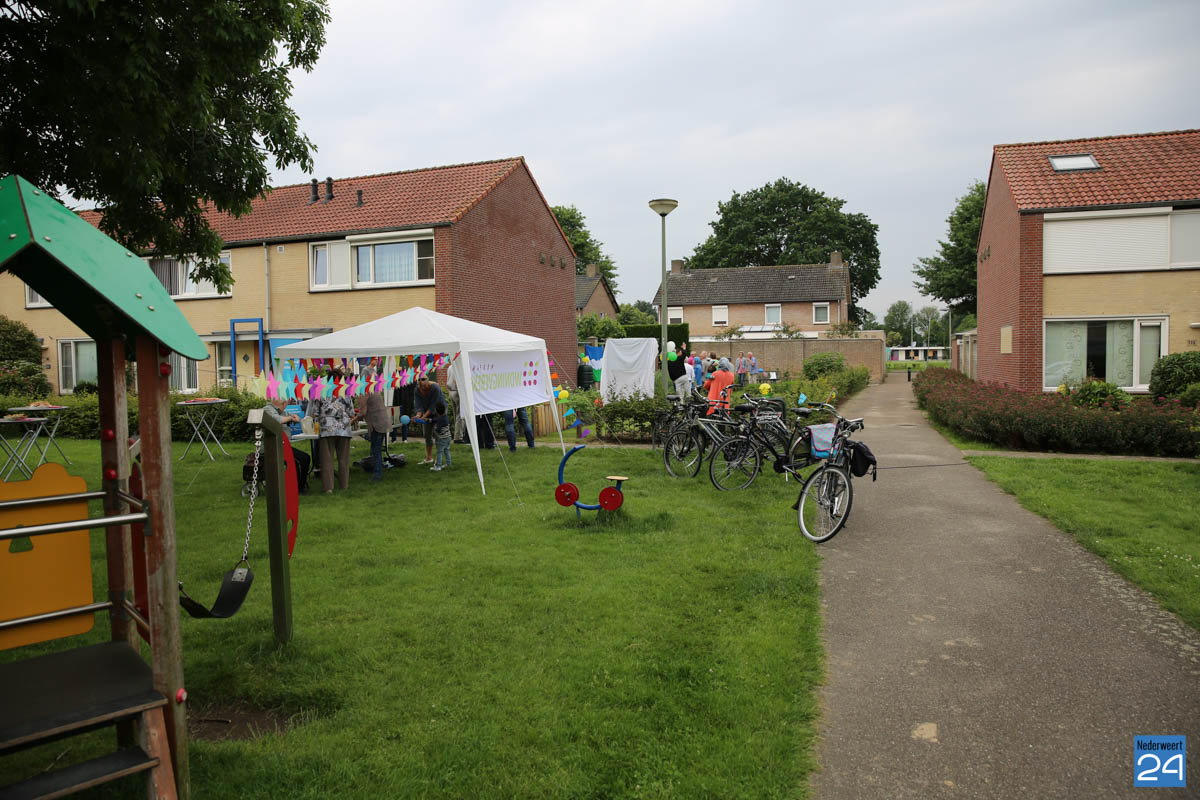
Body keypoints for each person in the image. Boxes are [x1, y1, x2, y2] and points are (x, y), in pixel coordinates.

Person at [309, 368, 355, 493]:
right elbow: (351, 412)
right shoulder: (345, 392)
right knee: (343, 459)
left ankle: (328, 487)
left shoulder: (320, 391)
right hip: (344, 429)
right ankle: (344, 485)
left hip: (326, 429)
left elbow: (314, 412)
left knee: (327, 460)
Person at [262, 397, 310, 493]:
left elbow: (292, 417)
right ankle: (298, 487)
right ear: (283, 404)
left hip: (282, 445)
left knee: (305, 458)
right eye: (286, 405)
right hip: (273, 447)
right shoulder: (267, 409)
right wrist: (291, 418)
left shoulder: (281, 411)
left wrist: (294, 417)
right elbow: (277, 420)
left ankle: (300, 485)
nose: (286, 407)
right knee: (300, 460)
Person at [356, 369, 391, 482]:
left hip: (376, 423)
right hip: (383, 422)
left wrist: (352, 421)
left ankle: (377, 474)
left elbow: (363, 412)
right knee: (376, 448)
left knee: (376, 450)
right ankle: (375, 469)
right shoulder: (374, 389)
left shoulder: (363, 392)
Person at [413, 375, 445, 464]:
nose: (422, 387)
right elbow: (418, 405)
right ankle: (429, 458)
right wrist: (418, 415)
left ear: (428, 380)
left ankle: (439, 458)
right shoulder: (417, 390)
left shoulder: (435, 388)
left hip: (439, 412)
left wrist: (424, 416)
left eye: (423, 380)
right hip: (426, 413)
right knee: (427, 434)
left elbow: (433, 405)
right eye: (419, 380)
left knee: (438, 434)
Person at [431, 401, 452, 471]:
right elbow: (437, 420)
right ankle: (448, 464)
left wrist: (434, 428)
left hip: (442, 438)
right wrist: (430, 420)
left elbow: (438, 430)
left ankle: (438, 466)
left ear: (436, 411)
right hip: (448, 437)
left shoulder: (440, 420)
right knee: (446, 450)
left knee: (439, 452)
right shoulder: (445, 417)